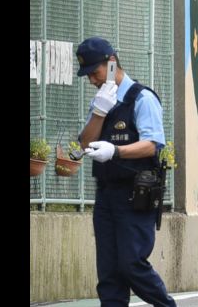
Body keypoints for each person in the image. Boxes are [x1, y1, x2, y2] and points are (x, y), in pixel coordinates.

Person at [76, 37, 177, 307]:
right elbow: (85, 143)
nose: (92, 81)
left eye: (95, 73)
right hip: (106, 195)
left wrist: (116, 151)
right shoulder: (102, 100)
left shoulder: (141, 98)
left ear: (111, 64)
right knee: (108, 273)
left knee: (131, 264)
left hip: (135, 194)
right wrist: (99, 112)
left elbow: (152, 144)